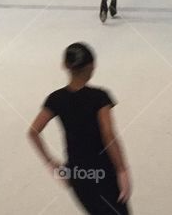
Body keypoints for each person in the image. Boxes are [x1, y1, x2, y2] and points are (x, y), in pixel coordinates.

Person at [28, 43, 131, 215]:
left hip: (77, 174)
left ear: (65, 66)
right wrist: (122, 170)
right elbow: (107, 134)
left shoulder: (56, 99)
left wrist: (51, 164)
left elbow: (33, 132)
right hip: (104, 171)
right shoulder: (99, 97)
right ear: (91, 66)